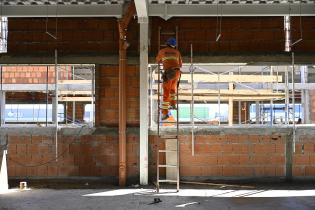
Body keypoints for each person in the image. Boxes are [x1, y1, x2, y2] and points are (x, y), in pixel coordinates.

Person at [156, 37, 182, 120]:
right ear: (174, 45)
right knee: (173, 90)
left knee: (166, 92)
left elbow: (158, 60)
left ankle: (165, 113)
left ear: (166, 43)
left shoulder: (162, 51)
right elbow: (180, 64)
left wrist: (165, 61)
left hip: (169, 73)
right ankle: (173, 104)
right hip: (177, 72)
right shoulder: (177, 52)